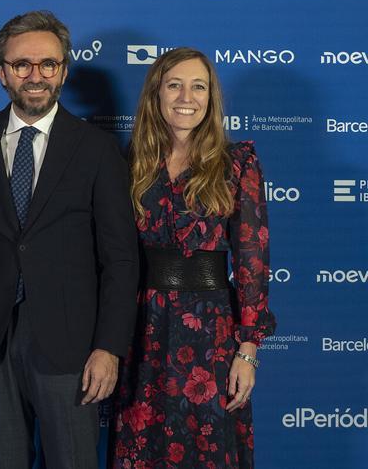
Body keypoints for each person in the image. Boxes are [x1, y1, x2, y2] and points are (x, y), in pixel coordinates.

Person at [0, 10, 138, 469]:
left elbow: (121, 260)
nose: (35, 76)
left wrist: (109, 348)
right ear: (1, 72)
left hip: (70, 342)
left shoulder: (96, 149)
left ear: (64, 71)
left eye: (47, 64)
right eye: (22, 65)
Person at [111, 48, 276, 469]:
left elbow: (252, 261)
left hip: (211, 335)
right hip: (141, 331)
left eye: (198, 86)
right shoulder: (129, 164)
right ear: (156, 95)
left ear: (210, 98)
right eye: (174, 85)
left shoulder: (237, 163)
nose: (187, 96)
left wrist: (248, 350)